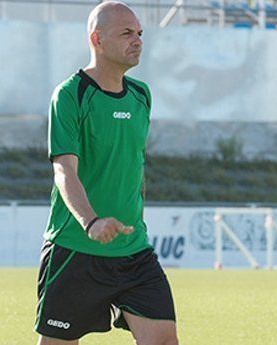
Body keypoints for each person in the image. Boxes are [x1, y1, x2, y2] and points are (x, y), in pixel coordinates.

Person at [34, 1, 179, 344]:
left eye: (140, 33)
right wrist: (91, 222)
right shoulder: (71, 95)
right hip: (75, 250)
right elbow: (64, 171)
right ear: (97, 39)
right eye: (127, 33)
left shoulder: (142, 96)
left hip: (133, 252)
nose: (138, 40)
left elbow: (134, 164)